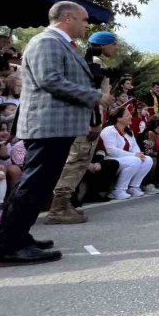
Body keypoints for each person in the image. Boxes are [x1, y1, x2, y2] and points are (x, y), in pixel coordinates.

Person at [0, 1, 111, 266]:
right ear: (67, 18)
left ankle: (13, 238)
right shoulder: (47, 42)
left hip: (55, 126)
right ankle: (11, 246)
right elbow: (51, 80)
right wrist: (95, 96)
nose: (86, 25)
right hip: (48, 126)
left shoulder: (60, 44)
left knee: (35, 185)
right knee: (33, 186)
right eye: (83, 20)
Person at [45, 30, 118, 224]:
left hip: (89, 118)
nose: (116, 47)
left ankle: (64, 203)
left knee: (80, 162)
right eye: (113, 43)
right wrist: (93, 121)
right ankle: (58, 207)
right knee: (76, 160)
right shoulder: (91, 61)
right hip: (86, 120)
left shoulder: (91, 60)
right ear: (103, 45)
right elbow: (90, 93)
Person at [101, 106, 153, 199]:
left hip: (127, 159)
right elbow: (111, 150)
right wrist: (134, 155)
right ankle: (118, 190)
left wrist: (139, 155)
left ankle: (133, 187)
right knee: (135, 160)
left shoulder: (129, 132)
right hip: (111, 159)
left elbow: (135, 148)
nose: (131, 117)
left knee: (148, 160)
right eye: (128, 115)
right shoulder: (109, 130)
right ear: (119, 118)